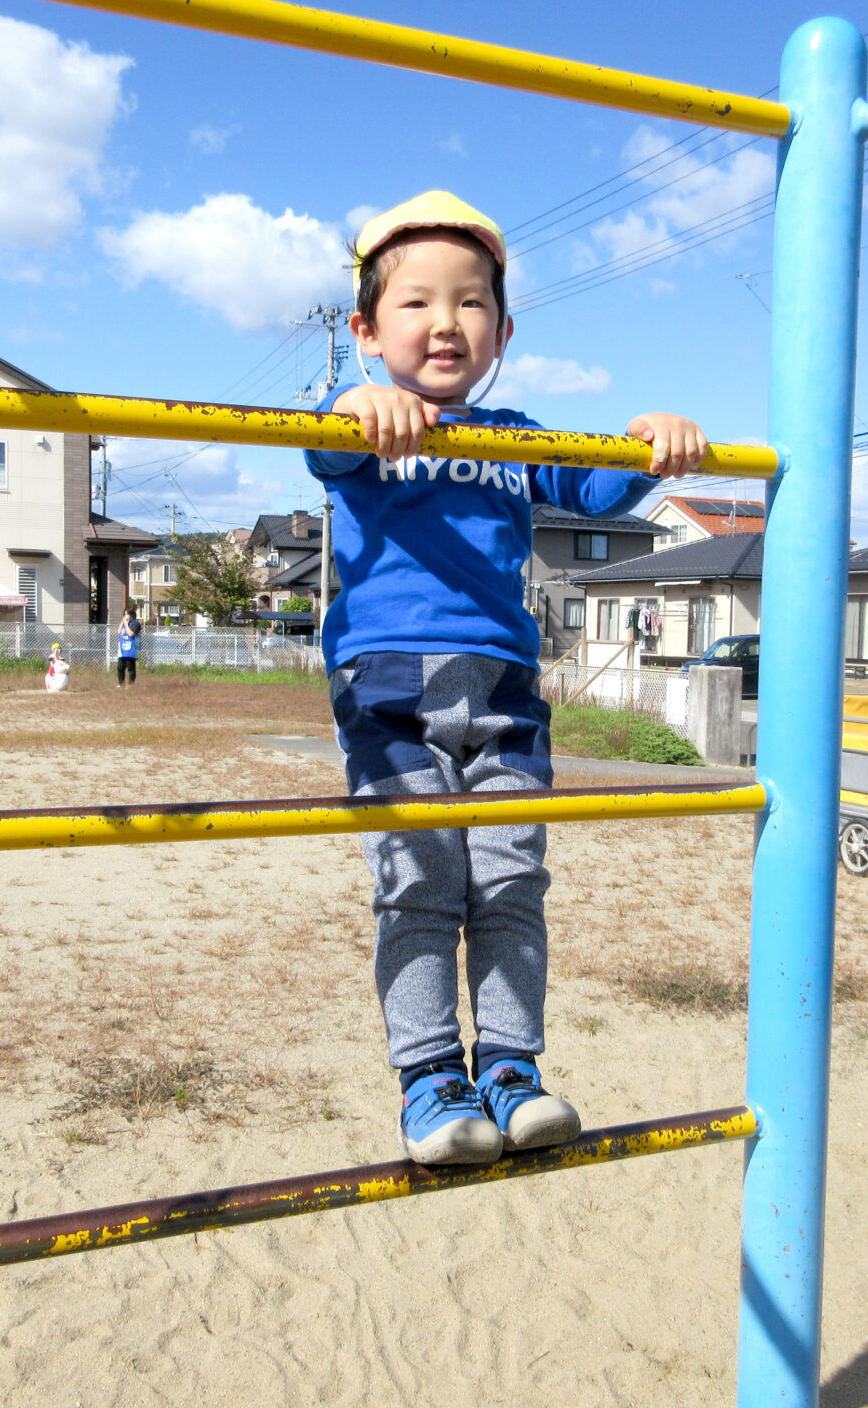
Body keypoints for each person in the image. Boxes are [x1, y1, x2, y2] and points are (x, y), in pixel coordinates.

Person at [304, 191, 709, 1166]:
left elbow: (598, 483)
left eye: (471, 303)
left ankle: (513, 1069)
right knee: (422, 881)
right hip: (390, 678)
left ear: (503, 331)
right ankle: (432, 1080)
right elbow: (321, 440)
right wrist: (358, 407)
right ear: (365, 330)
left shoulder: (513, 436)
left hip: (506, 685)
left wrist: (649, 439)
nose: (445, 322)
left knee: (512, 878)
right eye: (417, 303)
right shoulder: (366, 428)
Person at [116, 607, 142, 686]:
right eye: (125, 614)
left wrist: (126, 624)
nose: (126, 616)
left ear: (132, 615)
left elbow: (131, 634)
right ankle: (121, 683)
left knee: (130, 668)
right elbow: (119, 631)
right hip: (122, 650)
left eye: (127, 614)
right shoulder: (124, 624)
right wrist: (123, 622)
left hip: (131, 650)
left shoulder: (136, 624)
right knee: (120, 667)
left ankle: (131, 684)